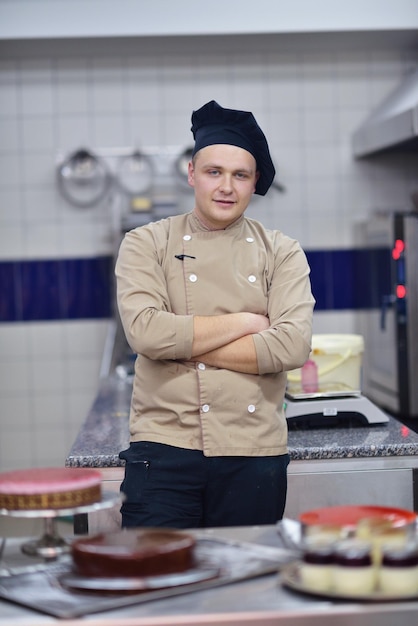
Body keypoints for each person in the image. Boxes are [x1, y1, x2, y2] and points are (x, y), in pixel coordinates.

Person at [115, 100, 315, 529]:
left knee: (247, 587)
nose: (226, 186)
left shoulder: (282, 251)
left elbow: (291, 345)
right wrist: (247, 322)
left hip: (254, 453)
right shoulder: (145, 242)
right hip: (163, 449)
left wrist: (182, 346)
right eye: (214, 172)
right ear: (192, 174)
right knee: (159, 583)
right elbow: (147, 334)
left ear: (254, 180)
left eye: (240, 175)